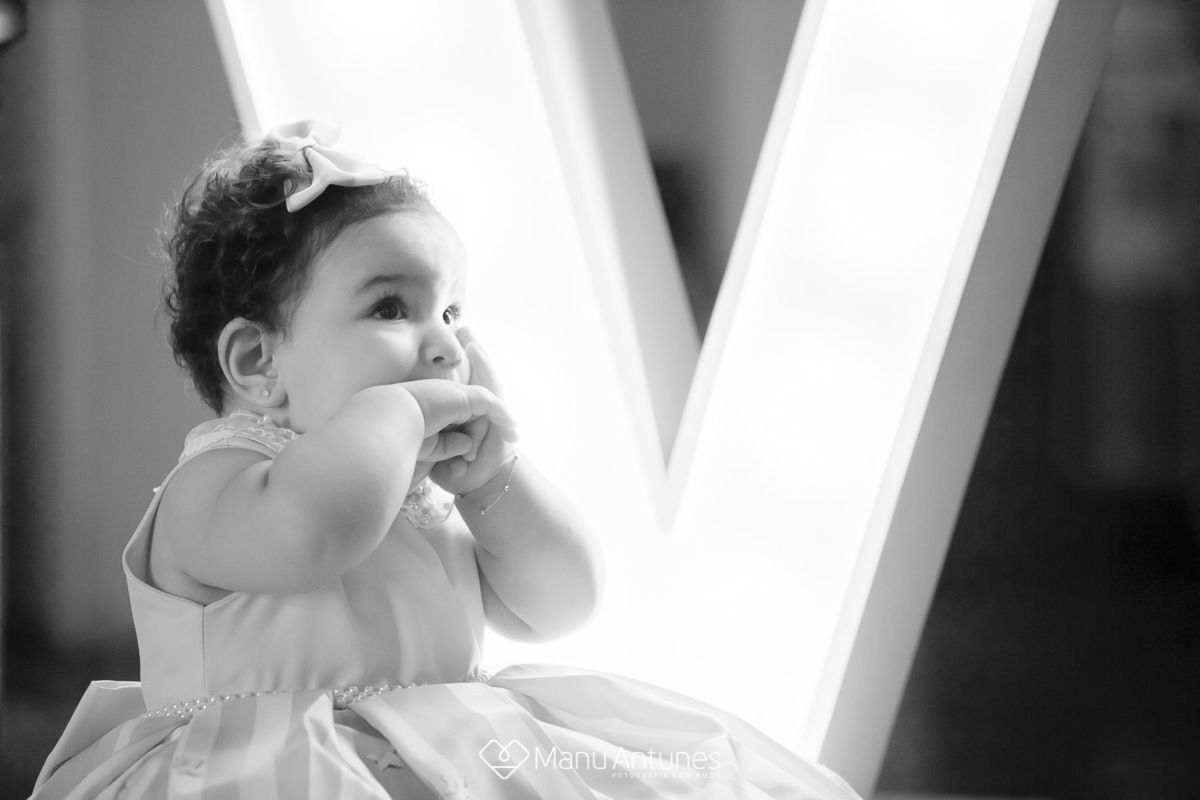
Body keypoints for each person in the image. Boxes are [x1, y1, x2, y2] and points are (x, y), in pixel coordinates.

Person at [29, 121, 861, 800]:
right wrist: (397, 415)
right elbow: (315, 533)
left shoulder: (418, 491)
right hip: (256, 773)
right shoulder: (215, 485)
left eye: (454, 312)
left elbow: (561, 602)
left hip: (453, 757)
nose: (445, 344)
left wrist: (495, 480)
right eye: (392, 307)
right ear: (258, 363)